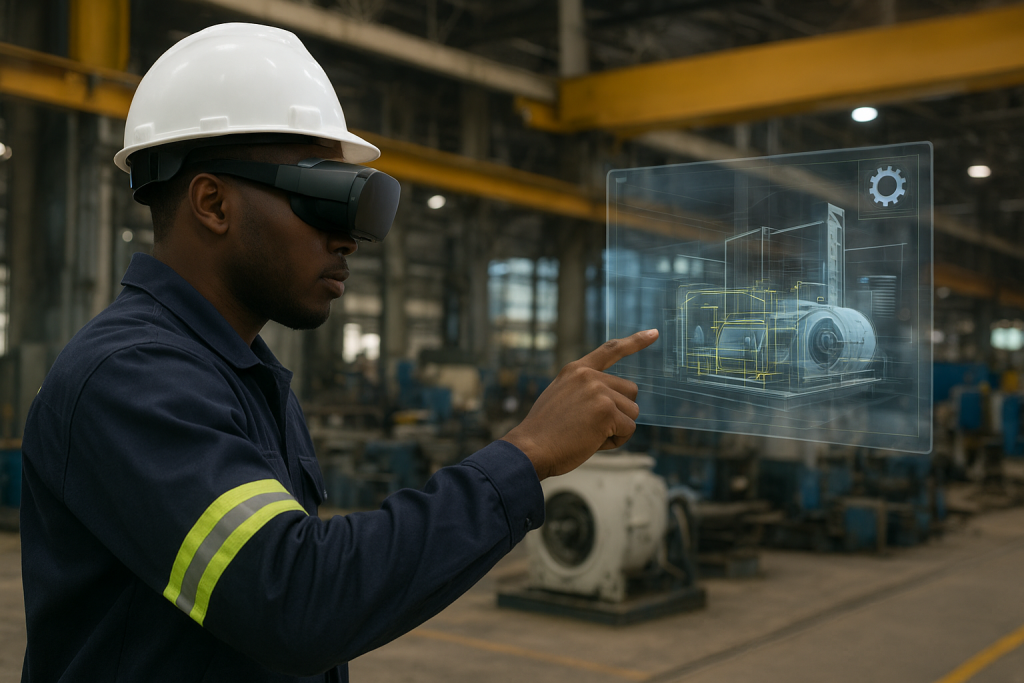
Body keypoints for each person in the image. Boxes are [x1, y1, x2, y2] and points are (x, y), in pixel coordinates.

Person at [19, 23, 657, 682]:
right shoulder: (129, 377)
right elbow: (293, 598)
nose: (348, 239)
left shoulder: (247, 376)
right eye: (320, 197)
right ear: (212, 202)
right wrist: (526, 454)